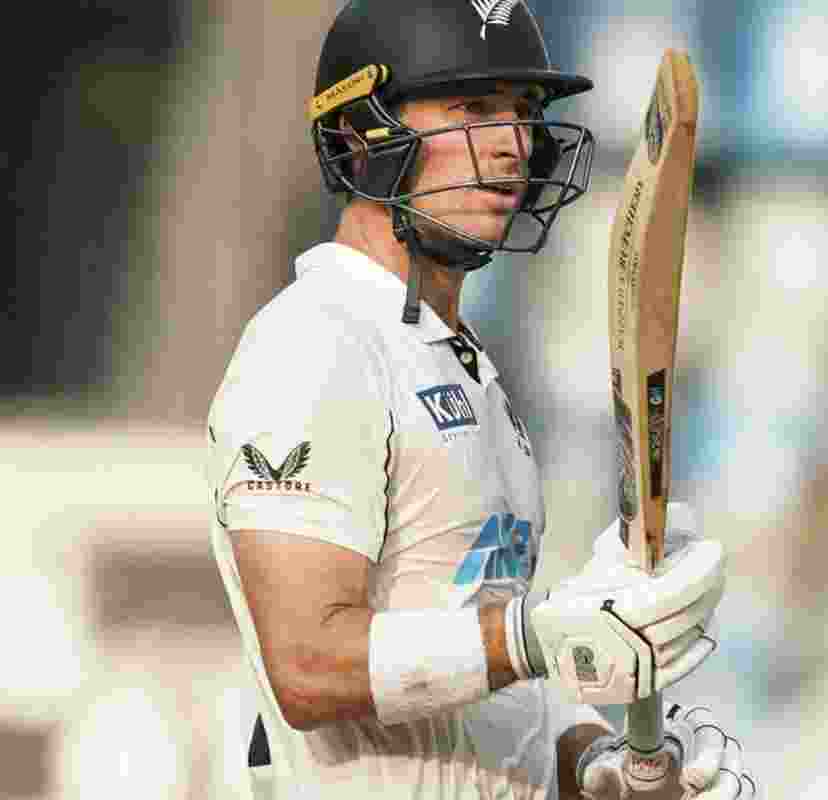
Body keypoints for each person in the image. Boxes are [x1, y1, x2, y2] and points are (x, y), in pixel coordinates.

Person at [204, 1, 754, 798]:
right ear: (362, 133)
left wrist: (599, 765)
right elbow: (307, 668)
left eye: (524, 113)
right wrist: (534, 634)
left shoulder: (457, 364)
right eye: (473, 108)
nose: (513, 145)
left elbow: (490, 697)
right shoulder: (315, 344)